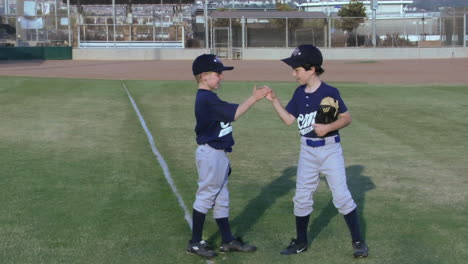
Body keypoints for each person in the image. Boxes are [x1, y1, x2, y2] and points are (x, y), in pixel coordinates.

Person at [265, 45, 369, 258]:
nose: (293, 74)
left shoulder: (330, 92)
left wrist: (328, 128)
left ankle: (358, 241)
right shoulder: (299, 93)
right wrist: (274, 101)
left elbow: (346, 118)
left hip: (330, 150)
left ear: (311, 69)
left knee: (341, 196)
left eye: (297, 70)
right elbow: (288, 120)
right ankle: (301, 241)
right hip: (307, 151)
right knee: (302, 197)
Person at [187, 54, 271, 259]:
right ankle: (195, 242)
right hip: (211, 154)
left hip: (218, 154)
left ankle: (227, 240)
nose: (221, 77)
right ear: (204, 76)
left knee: (222, 199)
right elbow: (234, 114)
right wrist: (254, 98)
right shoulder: (205, 98)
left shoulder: (210, 97)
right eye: (218, 73)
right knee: (206, 196)